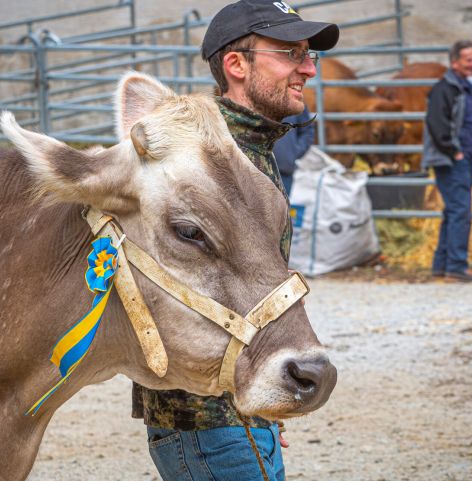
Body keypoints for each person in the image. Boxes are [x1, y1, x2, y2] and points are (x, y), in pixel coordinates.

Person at [132, 2, 339, 480]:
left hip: (233, 416)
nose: (307, 68)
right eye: (290, 53)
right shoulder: (203, 163)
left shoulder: (248, 149)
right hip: (210, 424)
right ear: (237, 65)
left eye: (309, 55)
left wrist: (267, 387)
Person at [422, 40, 472, 282]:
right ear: (455, 61)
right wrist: (453, 150)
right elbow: (437, 124)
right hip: (451, 160)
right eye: (468, 59)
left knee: (453, 211)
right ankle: (457, 266)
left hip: (463, 157)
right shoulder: (444, 89)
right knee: (460, 211)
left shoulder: (465, 87)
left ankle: (442, 264)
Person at [274, 105, 315, 196]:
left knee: (282, 209)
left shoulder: (293, 95)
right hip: (252, 172)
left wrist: (294, 152)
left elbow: (307, 129)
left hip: (283, 173)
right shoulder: (250, 93)